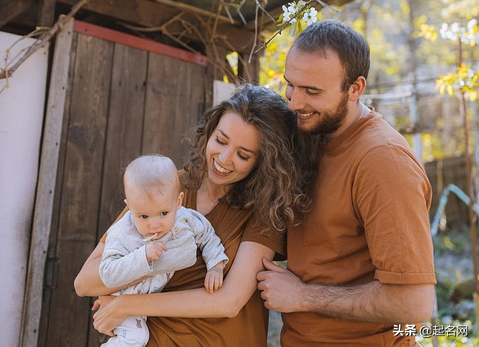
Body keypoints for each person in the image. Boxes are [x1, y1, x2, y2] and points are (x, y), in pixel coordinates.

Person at [74, 83, 311, 347]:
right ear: (209, 132)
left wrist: (125, 304)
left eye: (243, 155)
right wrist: (146, 262)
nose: (223, 158)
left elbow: (229, 301)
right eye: (220, 140)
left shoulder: (265, 211)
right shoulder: (166, 189)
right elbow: (85, 282)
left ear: (263, 161)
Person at [256, 19, 436, 346]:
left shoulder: (383, 162)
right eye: (290, 84)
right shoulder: (312, 133)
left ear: (355, 89)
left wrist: (304, 296)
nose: (294, 102)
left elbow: (415, 303)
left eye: (312, 91)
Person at [99, 154, 228, 347]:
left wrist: (216, 266)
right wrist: (142, 256)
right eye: (143, 216)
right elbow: (107, 273)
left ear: (178, 202)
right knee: (137, 338)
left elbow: (208, 237)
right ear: (129, 208)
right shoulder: (121, 232)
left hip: (147, 306)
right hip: (122, 298)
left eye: (163, 213)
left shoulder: (187, 219)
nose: (154, 225)